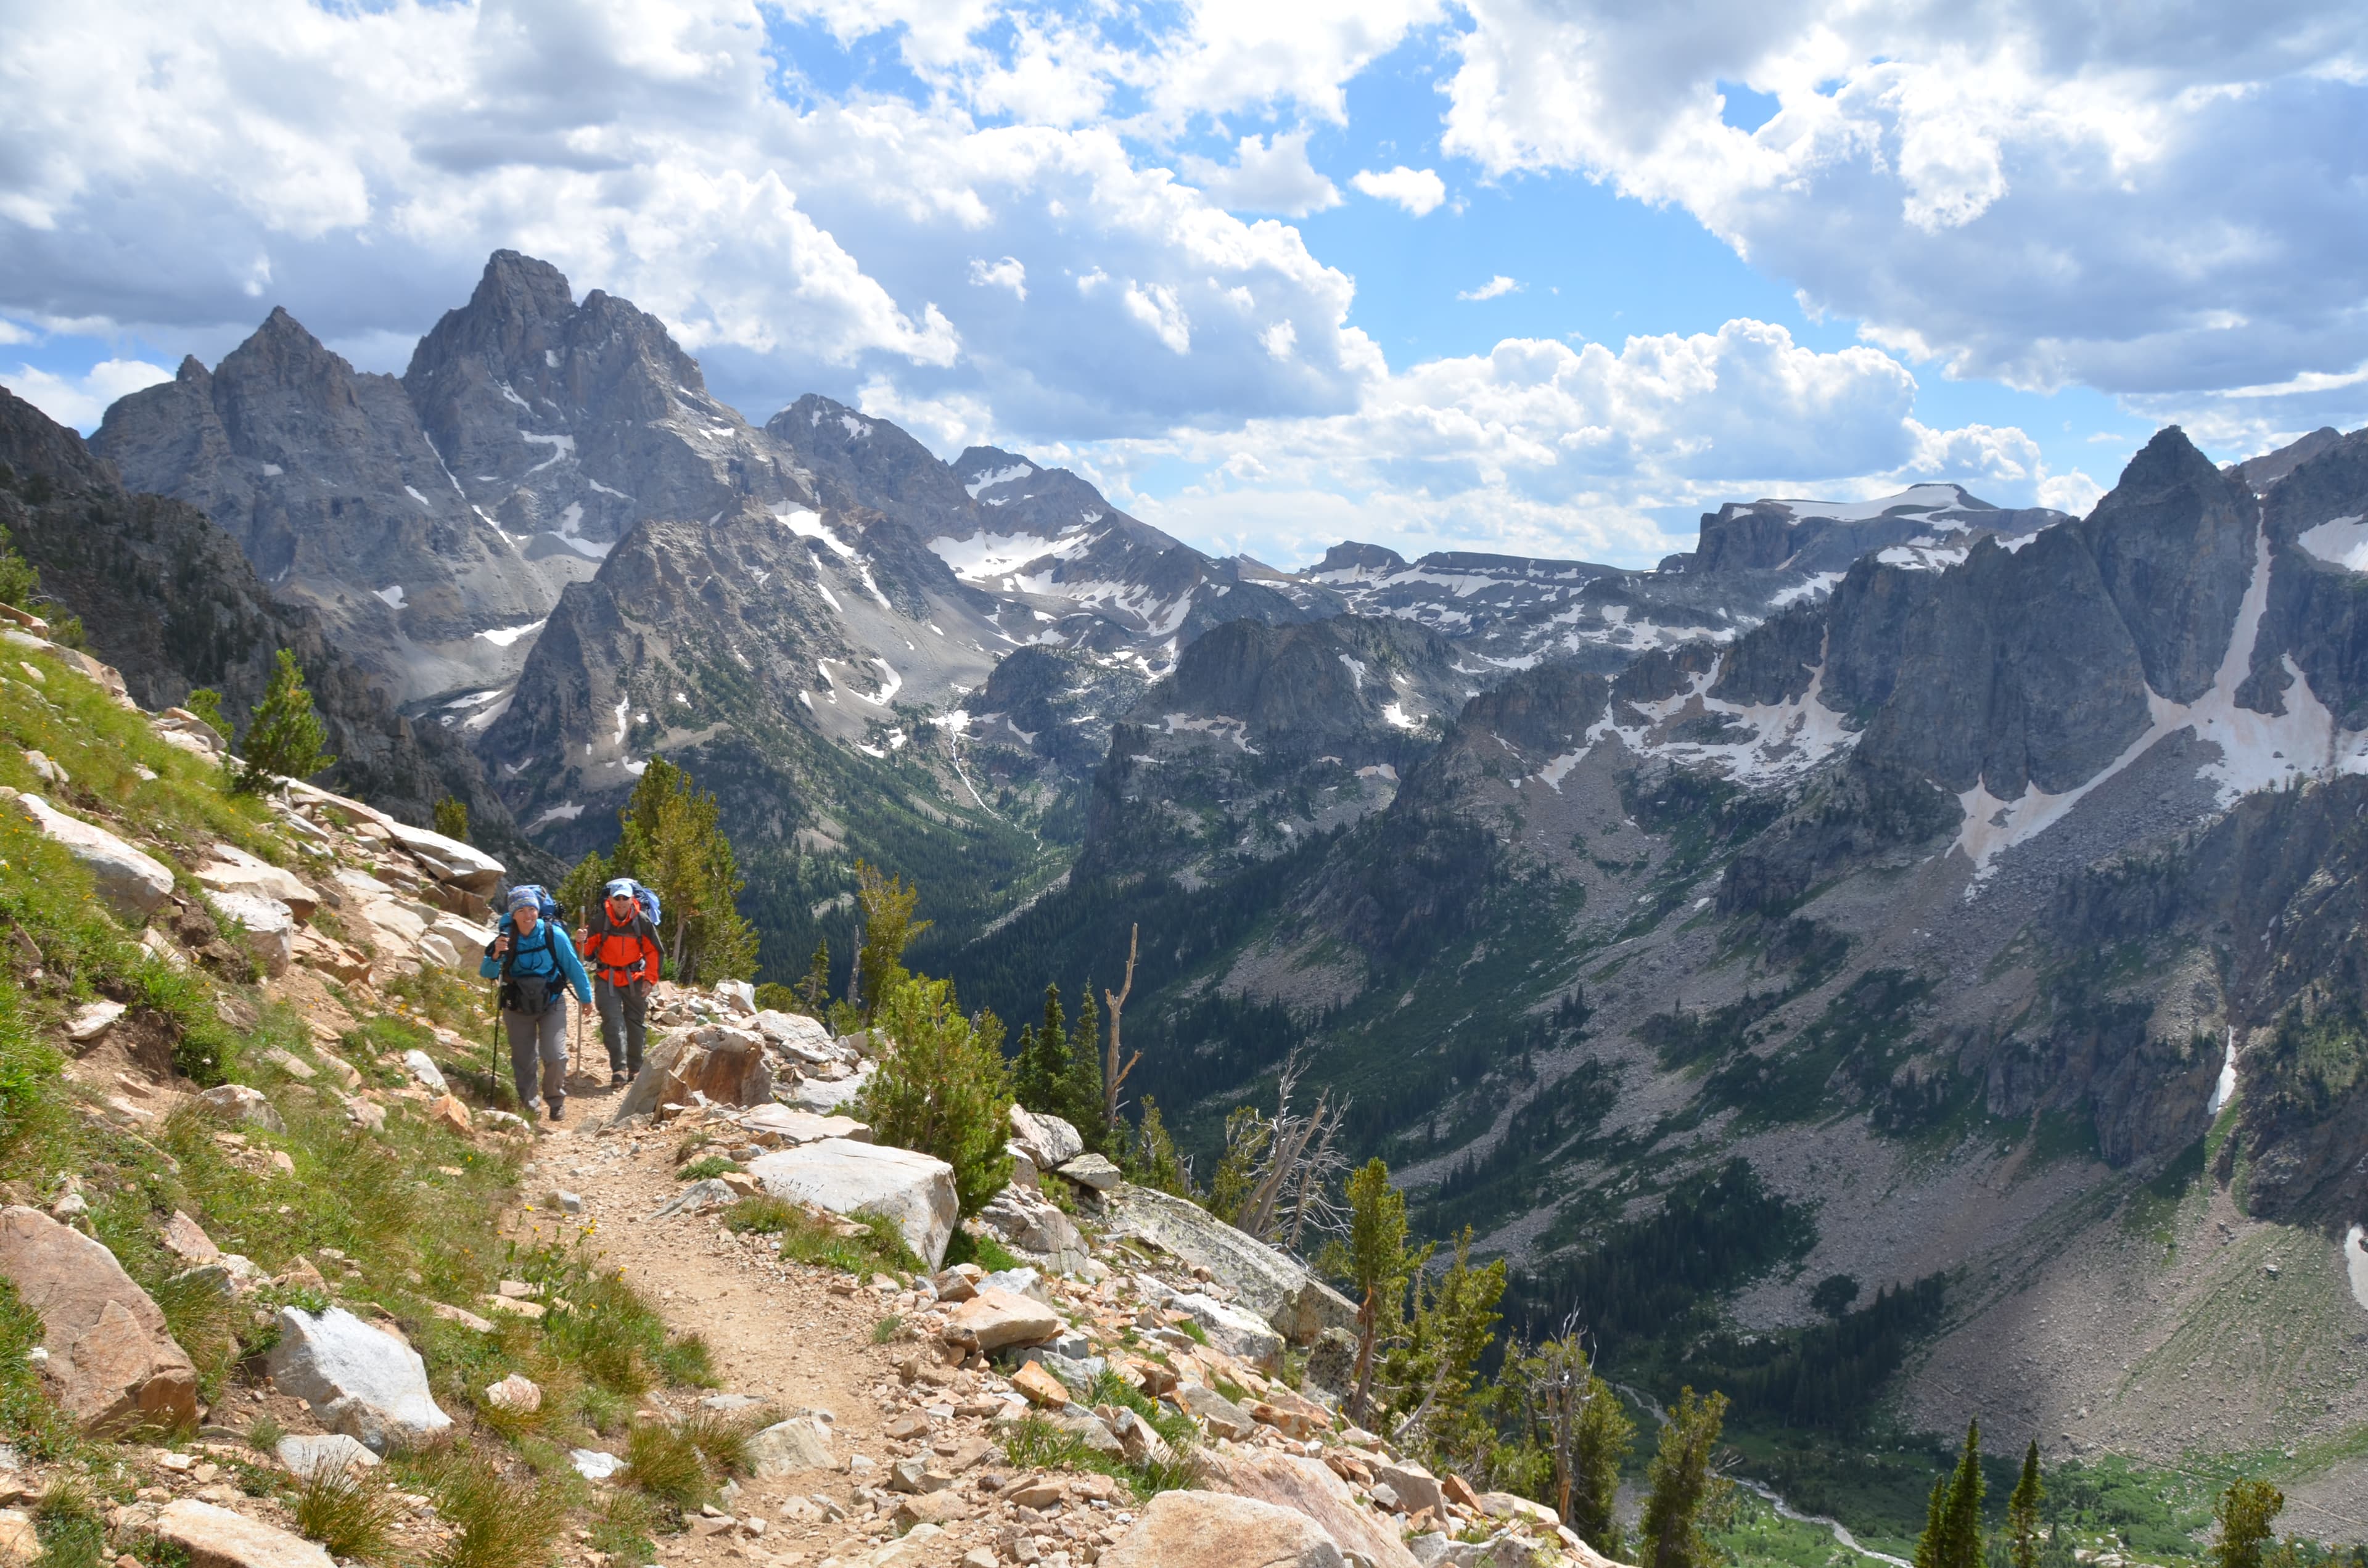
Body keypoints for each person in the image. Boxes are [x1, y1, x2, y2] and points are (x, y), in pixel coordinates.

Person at [479, 887, 593, 1123]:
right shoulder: (505, 938)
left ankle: (555, 1100)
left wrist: (586, 998)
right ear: (513, 913)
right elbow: (487, 972)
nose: (528, 915)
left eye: (532, 909)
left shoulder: (553, 935)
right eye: (521, 910)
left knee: (556, 1055)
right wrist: (495, 955)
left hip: (551, 1002)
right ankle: (530, 1108)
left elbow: (573, 966)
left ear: (538, 910)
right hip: (517, 1005)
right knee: (524, 1059)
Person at [578, 879, 664, 1087]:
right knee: (613, 1022)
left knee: (635, 1023)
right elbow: (587, 954)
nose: (621, 902)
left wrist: (650, 980)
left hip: (635, 979)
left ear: (631, 899)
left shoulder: (642, 922)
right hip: (606, 979)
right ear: (611, 899)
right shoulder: (600, 922)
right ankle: (619, 1069)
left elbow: (654, 951)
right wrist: (582, 941)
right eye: (617, 898)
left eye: (625, 898)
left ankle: (635, 1067)